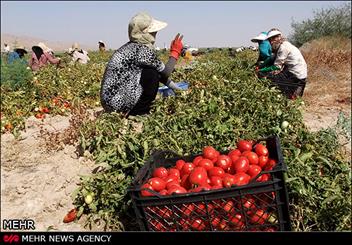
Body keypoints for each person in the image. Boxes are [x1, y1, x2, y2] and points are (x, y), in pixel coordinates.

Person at [100, 12, 184, 117]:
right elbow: (166, 72)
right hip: (117, 102)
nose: (155, 35)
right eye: (153, 32)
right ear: (145, 34)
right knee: (151, 75)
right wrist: (175, 52)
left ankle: (135, 110)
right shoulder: (141, 50)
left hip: (110, 101)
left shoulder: (131, 47)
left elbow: (161, 74)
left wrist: (178, 90)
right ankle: (138, 112)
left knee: (152, 73)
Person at [257, 30, 307, 98]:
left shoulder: (283, 48)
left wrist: (262, 70)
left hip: (296, 75)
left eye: (271, 41)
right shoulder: (285, 44)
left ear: (275, 40)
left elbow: (276, 67)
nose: (271, 43)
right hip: (299, 73)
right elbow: (274, 59)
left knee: (269, 80)